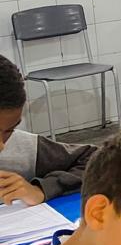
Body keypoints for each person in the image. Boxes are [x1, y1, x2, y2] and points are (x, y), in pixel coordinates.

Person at [0, 55, 94, 205]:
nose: (2, 145)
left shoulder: (25, 149)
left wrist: (41, 190)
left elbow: (97, 160)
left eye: (10, 130)